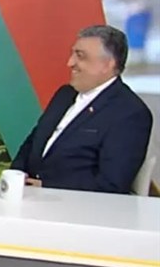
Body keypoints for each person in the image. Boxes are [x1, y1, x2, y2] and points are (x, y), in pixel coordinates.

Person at [11, 25, 152, 194]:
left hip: (74, 204)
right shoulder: (65, 94)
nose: (70, 63)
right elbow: (33, 142)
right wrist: (15, 176)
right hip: (26, 195)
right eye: (72, 54)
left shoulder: (130, 113)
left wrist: (46, 186)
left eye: (80, 56)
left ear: (107, 64)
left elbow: (112, 183)